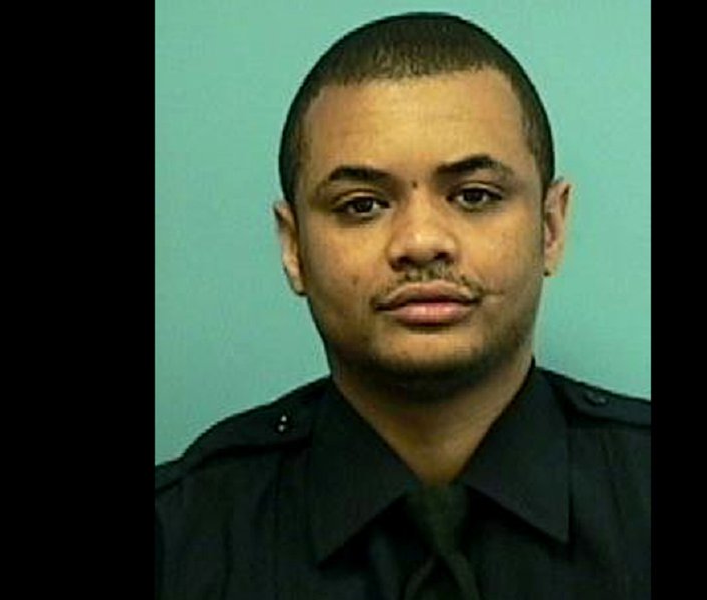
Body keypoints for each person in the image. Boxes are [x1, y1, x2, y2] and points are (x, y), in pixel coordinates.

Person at [155, 12, 649, 599]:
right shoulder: (179, 538)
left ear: (550, 227)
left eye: (474, 196)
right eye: (361, 205)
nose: (420, 242)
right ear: (293, 248)